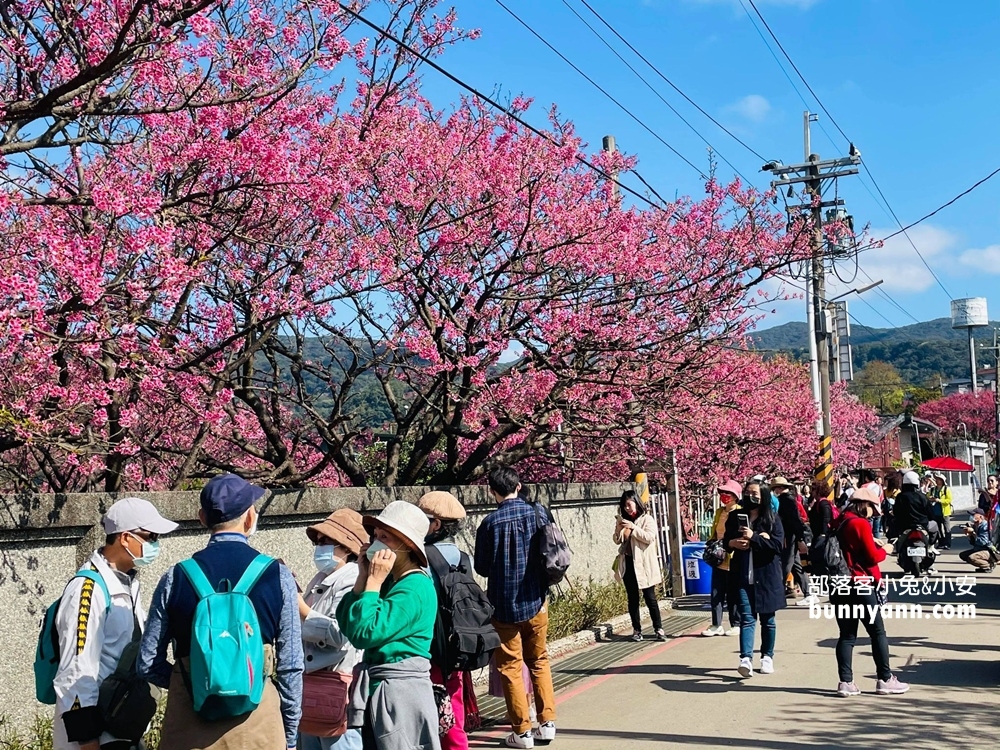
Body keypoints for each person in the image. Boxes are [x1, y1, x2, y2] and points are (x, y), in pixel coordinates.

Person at [138, 474, 304, 750]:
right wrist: (288, 734)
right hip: (259, 725)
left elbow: (146, 663)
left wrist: (195, 680)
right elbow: (290, 665)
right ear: (250, 517)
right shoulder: (276, 575)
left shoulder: (175, 577)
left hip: (189, 724)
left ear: (202, 518)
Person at [52, 498, 178, 750]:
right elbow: (75, 672)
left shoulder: (127, 582)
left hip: (121, 729)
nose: (155, 544)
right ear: (124, 538)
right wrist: (88, 742)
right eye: (150, 536)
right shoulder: (87, 590)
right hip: (94, 737)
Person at [336, 501, 441, 750]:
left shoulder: (414, 587)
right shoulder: (389, 581)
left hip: (400, 694)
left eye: (386, 537)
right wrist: (363, 578)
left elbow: (364, 633)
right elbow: (346, 622)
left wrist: (373, 581)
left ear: (407, 544)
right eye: (375, 537)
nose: (376, 544)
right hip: (381, 689)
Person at [474, 466, 556, 749]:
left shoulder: (489, 524)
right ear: (519, 486)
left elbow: (481, 567)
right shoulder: (537, 514)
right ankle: (547, 724)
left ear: (492, 491)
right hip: (536, 600)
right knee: (539, 660)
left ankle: (521, 732)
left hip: (503, 606)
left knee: (510, 667)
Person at [829, 486, 910, 697]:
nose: (874, 514)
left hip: (840, 584)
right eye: (873, 509)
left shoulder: (840, 522)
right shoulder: (860, 523)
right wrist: (886, 550)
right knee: (877, 632)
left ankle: (845, 682)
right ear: (865, 506)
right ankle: (885, 679)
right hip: (861, 584)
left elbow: (851, 547)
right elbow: (872, 558)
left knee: (846, 635)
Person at [299, 509, 368, 750]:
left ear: (347, 548)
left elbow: (340, 633)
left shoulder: (352, 579)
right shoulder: (321, 577)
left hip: (336, 683)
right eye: (318, 542)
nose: (320, 548)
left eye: (326, 541)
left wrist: (301, 608)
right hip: (311, 684)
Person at [417, 490, 473, 750]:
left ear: (435, 524)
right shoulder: (462, 558)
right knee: (454, 701)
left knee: (433, 704)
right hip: (460, 642)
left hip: (432, 646)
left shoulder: (424, 559)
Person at [723, 480, 785, 679]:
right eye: (748, 492)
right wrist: (733, 542)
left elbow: (777, 546)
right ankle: (746, 659)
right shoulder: (735, 517)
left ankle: (767, 656)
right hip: (742, 575)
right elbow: (725, 541)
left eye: (755, 493)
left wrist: (755, 537)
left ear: (764, 495)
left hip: (766, 577)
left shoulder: (773, 519)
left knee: (768, 620)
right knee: (747, 618)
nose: (751, 497)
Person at [613, 490, 666, 642]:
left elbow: (649, 537)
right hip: (628, 563)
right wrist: (618, 529)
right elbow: (617, 541)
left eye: (629, 504)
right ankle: (637, 630)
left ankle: (658, 628)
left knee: (650, 598)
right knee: (633, 598)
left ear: (636, 502)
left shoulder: (647, 519)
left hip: (643, 565)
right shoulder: (624, 520)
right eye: (624, 506)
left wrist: (633, 528)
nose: (627, 508)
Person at [702, 481, 741, 637]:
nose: (724, 497)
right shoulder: (719, 512)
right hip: (718, 557)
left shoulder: (739, 512)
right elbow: (715, 532)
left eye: (728, 494)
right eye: (722, 493)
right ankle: (716, 624)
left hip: (732, 557)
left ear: (735, 496)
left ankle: (735, 623)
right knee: (716, 592)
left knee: (732, 592)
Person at [773, 476, 816, 607]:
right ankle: (809, 593)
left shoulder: (786, 501)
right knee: (796, 566)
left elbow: (794, 521)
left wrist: (799, 538)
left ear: (780, 488)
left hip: (788, 537)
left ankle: (777, 594)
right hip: (790, 536)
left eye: (775, 488)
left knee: (785, 565)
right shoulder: (789, 500)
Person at [932, 473, 953, 549]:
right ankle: (941, 542)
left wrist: (939, 500)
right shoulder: (933, 489)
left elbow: (949, 500)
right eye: (936, 479)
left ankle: (947, 544)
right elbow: (927, 496)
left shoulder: (946, 489)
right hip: (935, 512)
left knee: (947, 529)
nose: (937, 480)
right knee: (938, 529)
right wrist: (931, 498)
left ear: (942, 481)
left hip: (944, 512)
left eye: (939, 479)